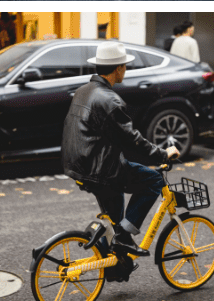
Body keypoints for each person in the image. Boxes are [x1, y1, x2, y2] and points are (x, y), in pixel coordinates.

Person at [61, 42, 180, 257]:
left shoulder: (83, 91)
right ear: (118, 69)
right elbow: (132, 139)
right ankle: (124, 237)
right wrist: (163, 153)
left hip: (80, 165)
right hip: (102, 170)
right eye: (125, 66)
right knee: (153, 181)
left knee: (114, 221)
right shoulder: (110, 100)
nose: (126, 69)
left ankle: (116, 266)